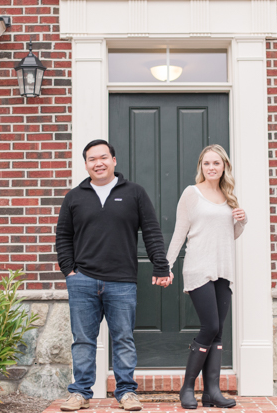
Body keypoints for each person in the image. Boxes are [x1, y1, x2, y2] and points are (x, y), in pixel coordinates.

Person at [56, 139, 172, 412]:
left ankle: (126, 392)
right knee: (83, 340)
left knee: (123, 338)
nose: (98, 163)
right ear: (86, 164)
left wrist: (160, 265)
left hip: (121, 281)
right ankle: (81, 393)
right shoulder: (74, 196)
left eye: (103, 157)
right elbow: (63, 236)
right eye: (92, 159)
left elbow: (152, 231)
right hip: (82, 280)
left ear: (114, 160)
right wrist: (69, 271)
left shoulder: (134, 193)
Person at [165, 144, 247, 409]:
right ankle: (187, 388)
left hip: (223, 269)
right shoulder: (192, 194)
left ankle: (212, 392)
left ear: (224, 167)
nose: (212, 168)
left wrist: (241, 221)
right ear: (201, 166)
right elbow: (180, 231)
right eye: (207, 163)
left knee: (219, 332)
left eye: (217, 163)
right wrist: (166, 264)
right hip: (199, 267)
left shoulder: (228, 195)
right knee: (210, 327)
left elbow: (229, 235)